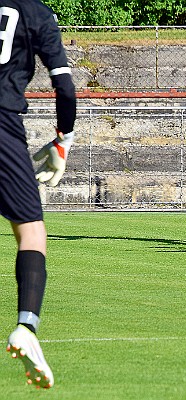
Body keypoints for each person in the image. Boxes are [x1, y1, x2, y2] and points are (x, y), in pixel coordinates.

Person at [2, 0, 76, 389]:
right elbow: (63, 85)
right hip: (1, 123)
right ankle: (26, 326)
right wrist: (64, 138)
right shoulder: (35, 12)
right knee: (31, 231)